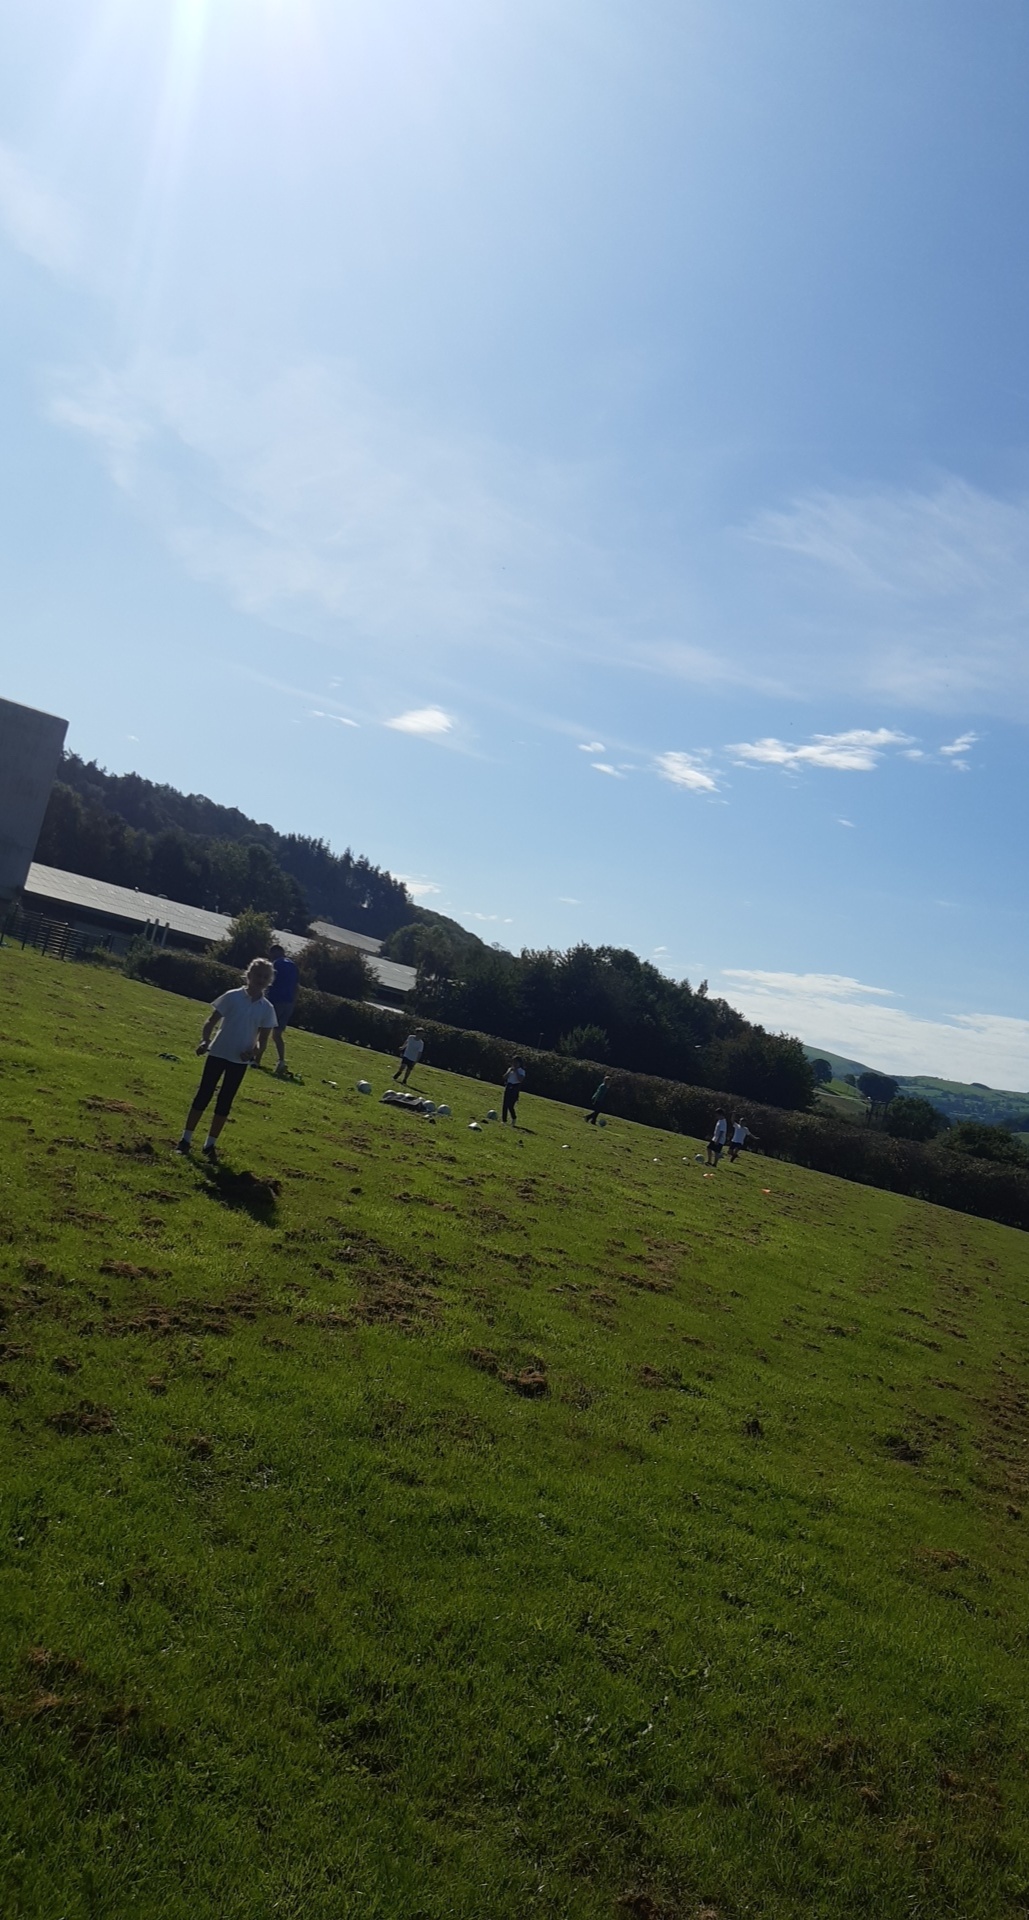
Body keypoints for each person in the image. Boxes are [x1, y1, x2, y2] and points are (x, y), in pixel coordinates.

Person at [176, 957, 277, 1160]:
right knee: (203, 1095)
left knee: (225, 1102)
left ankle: (209, 1145)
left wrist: (253, 1053)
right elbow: (211, 1021)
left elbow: (263, 1040)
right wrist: (205, 1041)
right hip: (218, 1053)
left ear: (270, 980)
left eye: (265, 977)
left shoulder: (267, 1009)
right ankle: (185, 1140)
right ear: (248, 975)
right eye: (257, 975)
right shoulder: (232, 997)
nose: (260, 979)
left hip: (239, 1061)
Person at [267, 942, 300, 1077]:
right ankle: (281, 1061)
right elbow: (296, 986)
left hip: (275, 1000)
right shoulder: (293, 965)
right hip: (288, 1003)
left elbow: (269, 981)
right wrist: (293, 1003)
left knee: (261, 1029)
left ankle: (254, 1059)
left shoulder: (276, 964)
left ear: (275, 953)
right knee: (277, 1034)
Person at [501, 1059, 526, 1124]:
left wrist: (516, 1071)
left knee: (510, 1105)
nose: (515, 1064)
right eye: (514, 1062)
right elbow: (504, 1077)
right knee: (505, 1104)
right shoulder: (510, 1069)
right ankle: (504, 1120)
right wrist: (509, 1072)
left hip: (515, 1087)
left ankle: (513, 1117)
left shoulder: (522, 1071)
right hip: (509, 1085)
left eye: (516, 1063)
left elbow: (520, 1080)